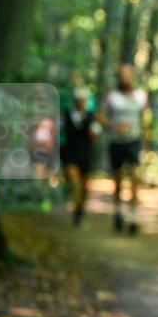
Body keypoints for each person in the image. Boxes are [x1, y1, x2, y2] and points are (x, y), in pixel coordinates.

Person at [97, 64, 149, 235]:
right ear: (118, 77)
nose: (125, 78)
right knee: (118, 179)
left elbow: (146, 118)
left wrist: (145, 139)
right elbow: (99, 115)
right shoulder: (112, 96)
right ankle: (118, 211)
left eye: (128, 75)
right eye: (122, 75)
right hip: (116, 142)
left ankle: (133, 216)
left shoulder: (140, 96)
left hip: (134, 141)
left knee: (134, 178)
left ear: (132, 77)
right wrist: (113, 127)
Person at [60, 87, 100, 226]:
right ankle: (76, 206)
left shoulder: (91, 116)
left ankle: (79, 210)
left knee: (84, 186)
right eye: (79, 100)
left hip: (86, 155)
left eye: (83, 100)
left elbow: (94, 136)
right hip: (70, 154)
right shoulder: (66, 115)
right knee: (74, 182)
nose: (81, 102)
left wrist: (93, 128)